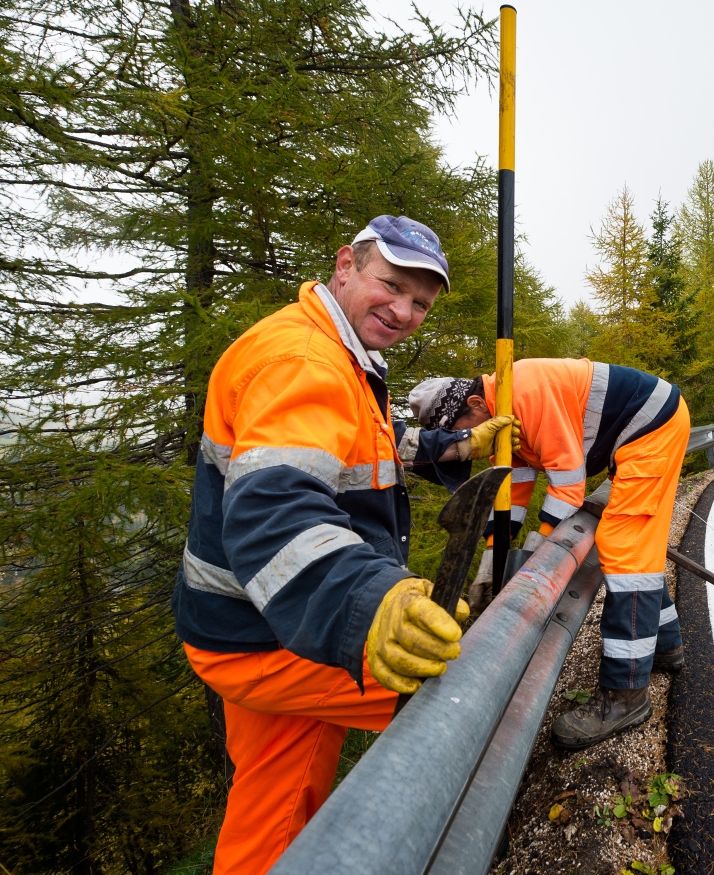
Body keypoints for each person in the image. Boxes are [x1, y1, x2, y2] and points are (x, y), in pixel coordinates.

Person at [171, 215, 512, 875]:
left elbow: (364, 445)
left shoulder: (341, 350)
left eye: (420, 302)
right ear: (345, 266)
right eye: (391, 286)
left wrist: (458, 446)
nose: (404, 310)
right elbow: (276, 507)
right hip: (270, 635)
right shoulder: (302, 359)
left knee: (275, 796)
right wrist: (370, 603)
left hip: (256, 620)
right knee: (466, 688)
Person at [409, 359, 689, 749]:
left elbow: (569, 482)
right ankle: (667, 643)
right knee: (632, 548)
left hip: (650, 428)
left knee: (627, 550)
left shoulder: (527, 391)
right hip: (630, 433)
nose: (462, 447)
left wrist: (540, 552)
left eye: (457, 434)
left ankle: (626, 693)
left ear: (475, 404)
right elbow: (515, 486)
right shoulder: (502, 415)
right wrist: (495, 554)